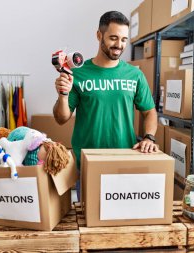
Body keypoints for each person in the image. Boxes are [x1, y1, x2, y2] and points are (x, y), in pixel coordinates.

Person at [53, 11, 159, 199]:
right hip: (87, 163)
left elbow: (149, 112)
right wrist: (63, 95)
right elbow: (61, 118)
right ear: (99, 35)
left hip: (124, 161)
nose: (119, 45)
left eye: (124, 39)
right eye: (113, 38)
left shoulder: (134, 75)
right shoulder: (78, 73)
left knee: (122, 220)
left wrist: (149, 138)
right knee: (89, 222)